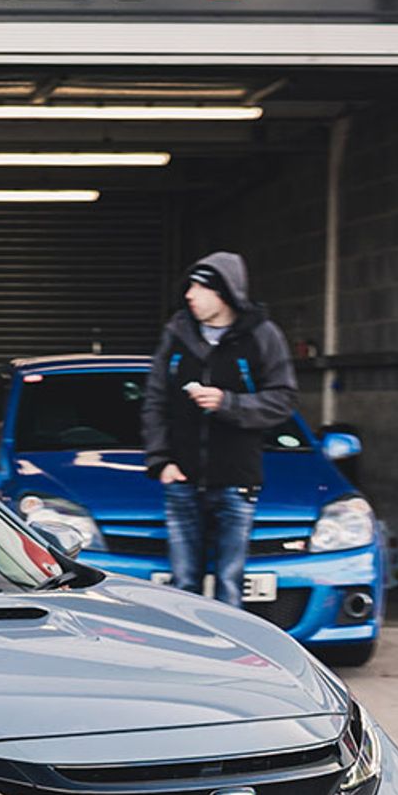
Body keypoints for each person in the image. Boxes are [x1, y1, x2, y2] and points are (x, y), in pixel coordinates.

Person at [141, 251, 299, 609]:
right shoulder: (177, 333)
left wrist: (228, 404)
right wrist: (161, 460)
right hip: (181, 480)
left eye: (199, 287)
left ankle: (230, 662)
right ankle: (186, 656)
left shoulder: (262, 335)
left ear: (224, 292)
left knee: (230, 582)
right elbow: (154, 401)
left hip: (237, 482)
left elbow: (283, 399)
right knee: (183, 583)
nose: (189, 295)